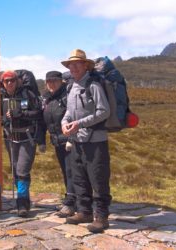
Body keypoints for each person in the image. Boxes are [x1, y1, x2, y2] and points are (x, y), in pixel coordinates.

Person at [60, 49, 112, 233]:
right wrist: (64, 123)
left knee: (98, 178)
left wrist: (79, 124)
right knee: (79, 177)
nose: (72, 68)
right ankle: (84, 212)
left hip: (95, 141)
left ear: (85, 65)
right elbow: (69, 111)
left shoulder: (93, 85)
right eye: (70, 65)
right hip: (77, 141)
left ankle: (101, 217)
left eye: (76, 64)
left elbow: (104, 111)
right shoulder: (71, 86)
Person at [0, 70, 42, 217]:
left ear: (17, 80)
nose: (9, 83)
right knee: (15, 170)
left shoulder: (27, 94)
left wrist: (21, 114)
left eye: (12, 80)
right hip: (10, 139)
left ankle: (22, 204)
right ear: (3, 83)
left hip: (27, 138)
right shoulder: (1, 97)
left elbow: (38, 113)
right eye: (6, 81)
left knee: (22, 170)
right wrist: (3, 120)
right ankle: (23, 198)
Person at [41, 71, 76, 217]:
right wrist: (41, 141)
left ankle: (70, 203)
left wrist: (71, 139)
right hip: (57, 141)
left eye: (54, 80)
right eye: (49, 81)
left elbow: (74, 117)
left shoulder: (67, 96)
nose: (51, 83)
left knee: (71, 171)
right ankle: (71, 199)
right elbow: (44, 121)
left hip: (70, 141)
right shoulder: (48, 99)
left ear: (61, 81)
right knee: (66, 171)